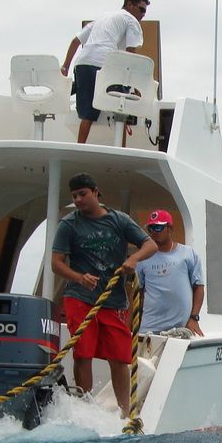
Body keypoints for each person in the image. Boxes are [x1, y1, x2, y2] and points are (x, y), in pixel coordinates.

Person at [50, 173, 157, 410]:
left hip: (114, 300)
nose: (78, 200)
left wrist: (134, 260)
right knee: (82, 353)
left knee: (120, 357)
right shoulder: (68, 224)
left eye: (82, 194)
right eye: (74, 196)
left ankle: (124, 411)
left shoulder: (119, 220)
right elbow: (56, 263)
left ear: (96, 192)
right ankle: (85, 408)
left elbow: (151, 244)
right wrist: (79, 277)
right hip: (79, 298)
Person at [61, 0, 150, 144]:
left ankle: (80, 147)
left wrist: (65, 67)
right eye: (141, 9)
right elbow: (130, 54)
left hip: (82, 63)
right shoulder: (131, 20)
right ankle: (121, 151)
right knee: (122, 108)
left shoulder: (102, 18)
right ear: (129, 4)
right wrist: (133, 85)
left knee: (87, 114)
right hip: (103, 65)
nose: (143, 15)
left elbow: (76, 41)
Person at [136, 210, 205, 337]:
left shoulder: (189, 254)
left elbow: (199, 287)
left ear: (170, 228)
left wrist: (194, 318)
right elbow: (137, 294)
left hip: (181, 330)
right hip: (149, 329)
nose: (154, 232)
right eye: (151, 228)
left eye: (158, 227)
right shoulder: (142, 258)